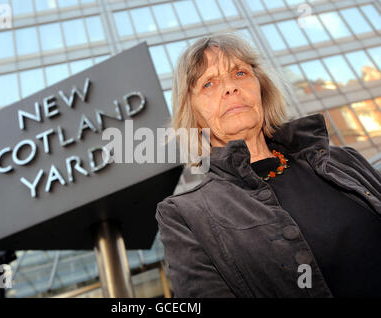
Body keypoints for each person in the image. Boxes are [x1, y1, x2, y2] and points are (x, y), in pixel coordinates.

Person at [155, 33, 381, 298]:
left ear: (261, 87)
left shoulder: (344, 160)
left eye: (239, 73)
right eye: (208, 84)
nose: (230, 88)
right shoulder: (185, 216)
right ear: (192, 111)